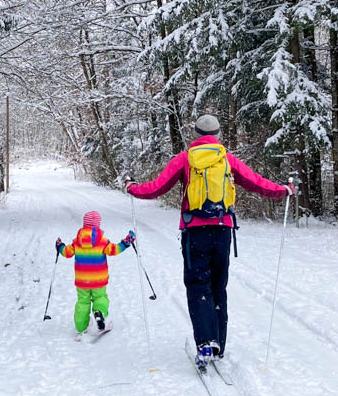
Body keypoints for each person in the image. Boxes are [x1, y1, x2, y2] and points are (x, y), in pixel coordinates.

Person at [126, 114, 292, 368]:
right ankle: (219, 345)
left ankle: (205, 344)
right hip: (223, 231)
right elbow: (255, 182)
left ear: (195, 134)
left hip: (194, 233)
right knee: (218, 287)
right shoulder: (226, 159)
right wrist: (283, 191)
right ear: (217, 134)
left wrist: (132, 187)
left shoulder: (185, 159)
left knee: (197, 286)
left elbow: (157, 187)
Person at [55, 210, 135, 339]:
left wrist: (60, 246)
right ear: (98, 225)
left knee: (83, 302)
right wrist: (126, 242)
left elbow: (67, 253)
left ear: (84, 224)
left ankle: (81, 326)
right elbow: (114, 250)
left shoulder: (77, 241)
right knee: (100, 298)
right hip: (99, 280)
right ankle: (99, 312)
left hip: (82, 281)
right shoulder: (102, 241)